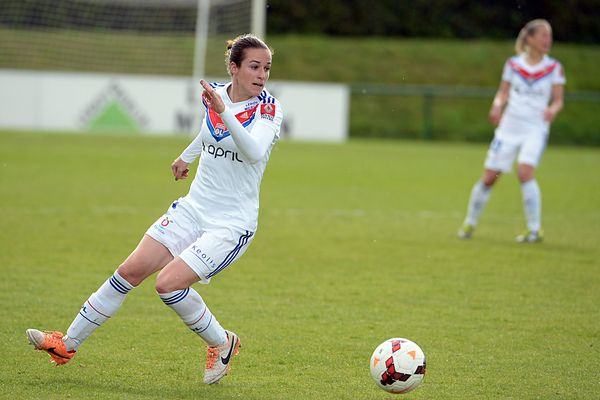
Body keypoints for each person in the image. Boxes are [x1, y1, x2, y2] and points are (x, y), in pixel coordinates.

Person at [26, 33, 283, 385]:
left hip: (231, 223)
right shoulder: (217, 96)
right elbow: (209, 131)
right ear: (234, 67)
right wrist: (186, 156)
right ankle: (66, 344)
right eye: (254, 67)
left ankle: (222, 342)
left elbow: (253, 150)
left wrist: (225, 113)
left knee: (168, 285)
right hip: (194, 207)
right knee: (129, 270)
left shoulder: (268, 108)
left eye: (266, 68)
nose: (262, 75)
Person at [458, 19, 565, 242]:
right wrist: (496, 106)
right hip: (509, 128)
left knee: (525, 172)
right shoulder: (513, 64)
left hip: (535, 128)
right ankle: (470, 223)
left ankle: (534, 230)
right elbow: (503, 93)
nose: (548, 40)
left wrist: (552, 110)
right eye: (543, 35)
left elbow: (558, 100)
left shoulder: (554, 68)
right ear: (530, 38)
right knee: (490, 177)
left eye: (550, 36)